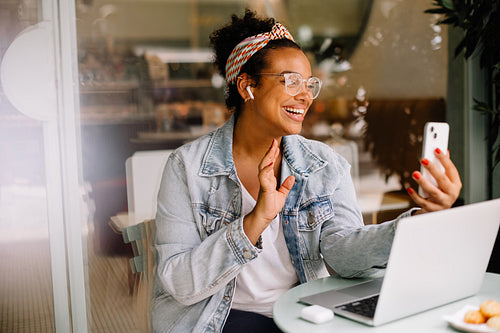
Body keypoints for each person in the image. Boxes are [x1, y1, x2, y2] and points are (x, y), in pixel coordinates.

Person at [152, 10, 462, 333]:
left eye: (310, 84)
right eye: (291, 81)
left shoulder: (325, 164)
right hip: (220, 318)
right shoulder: (186, 168)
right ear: (248, 87)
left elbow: (343, 252)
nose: (306, 95)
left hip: (303, 315)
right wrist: (254, 222)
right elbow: (178, 282)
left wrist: (416, 223)